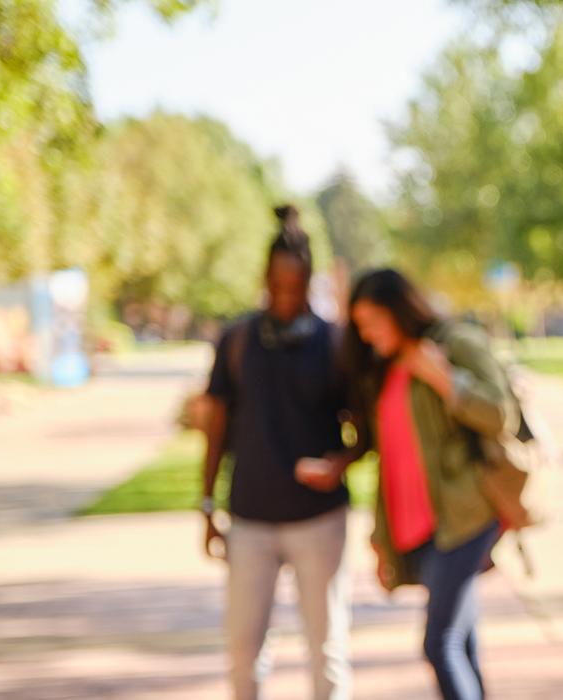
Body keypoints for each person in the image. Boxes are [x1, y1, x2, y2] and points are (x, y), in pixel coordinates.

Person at [199, 205, 356, 700]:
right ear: (265, 278)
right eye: (277, 285)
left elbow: (365, 430)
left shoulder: (333, 342)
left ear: (309, 280)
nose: (286, 296)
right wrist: (206, 504)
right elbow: (215, 430)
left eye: (296, 285)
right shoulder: (238, 340)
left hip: (319, 521)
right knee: (243, 652)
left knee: (326, 650)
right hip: (249, 521)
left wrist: (341, 463)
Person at [342, 268, 517, 700]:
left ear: (398, 311)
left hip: (466, 516)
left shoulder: (454, 344)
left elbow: (501, 415)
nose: (366, 335)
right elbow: (391, 464)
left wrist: (444, 378)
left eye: (372, 323)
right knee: (461, 640)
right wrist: (381, 539)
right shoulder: (385, 369)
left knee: (438, 642)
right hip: (420, 526)